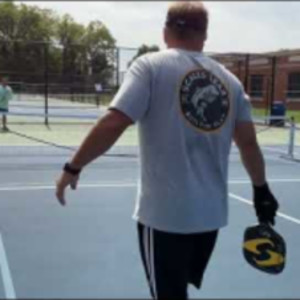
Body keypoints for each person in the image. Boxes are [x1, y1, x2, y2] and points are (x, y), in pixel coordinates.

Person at [55, 1, 279, 299]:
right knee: (177, 290)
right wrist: (261, 189)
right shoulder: (232, 83)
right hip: (210, 219)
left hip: (166, 216)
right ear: (205, 35)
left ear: (166, 31)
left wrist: (73, 166)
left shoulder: (150, 66)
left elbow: (114, 121)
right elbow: (248, 143)